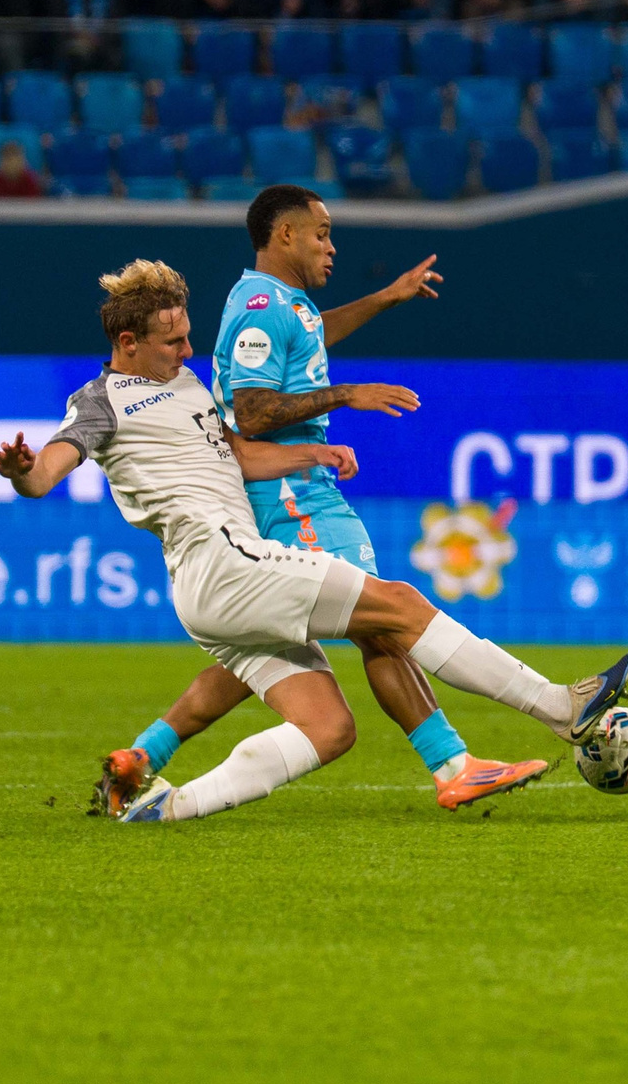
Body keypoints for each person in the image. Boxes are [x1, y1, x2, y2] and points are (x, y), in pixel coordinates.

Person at [0, 257, 628, 825]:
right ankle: (560, 709)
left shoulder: (184, 387)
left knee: (329, 729)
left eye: (187, 337)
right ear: (127, 341)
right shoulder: (99, 400)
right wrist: (23, 472)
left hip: (210, 584)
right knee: (399, 606)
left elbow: (236, 455)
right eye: (172, 342)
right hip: (221, 561)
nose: (187, 352)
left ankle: (162, 806)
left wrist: (309, 456)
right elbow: (48, 471)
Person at [89, 187, 557, 816]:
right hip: (288, 496)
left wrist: (384, 298)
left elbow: (307, 337)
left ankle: (148, 756)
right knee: (385, 617)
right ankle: (466, 758)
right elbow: (252, 413)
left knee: (271, 651)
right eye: (321, 233)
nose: (331, 247)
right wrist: (346, 395)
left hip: (288, 493)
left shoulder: (286, 306)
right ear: (284, 236)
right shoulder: (258, 304)